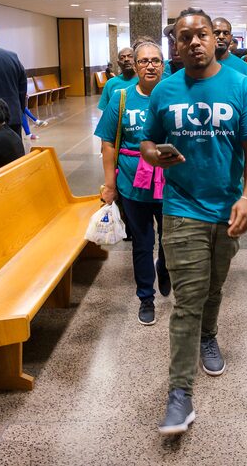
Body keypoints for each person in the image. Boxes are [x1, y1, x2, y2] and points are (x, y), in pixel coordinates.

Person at [141, 8, 247, 435]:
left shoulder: (240, 85)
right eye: (184, 36)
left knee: (214, 286)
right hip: (180, 208)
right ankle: (179, 395)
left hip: (227, 208)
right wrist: (153, 154)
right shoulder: (165, 90)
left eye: (202, 34)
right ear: (174, 44)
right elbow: (146, 143)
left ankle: (209, 336)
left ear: (216, 38)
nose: (193, 42)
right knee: (188, 299)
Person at [94, 41, 172, 326]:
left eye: (156, 60)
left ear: (163, 65)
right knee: (142, 241)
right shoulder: (121, 98)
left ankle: (164, 268)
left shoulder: (173, 94)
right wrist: (109, 185)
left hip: (168, 183)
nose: (150, 65)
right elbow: (108, 143)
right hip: (132, 182)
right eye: (144, 61)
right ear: (135, 66)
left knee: (169, 238)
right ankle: (146, 297)